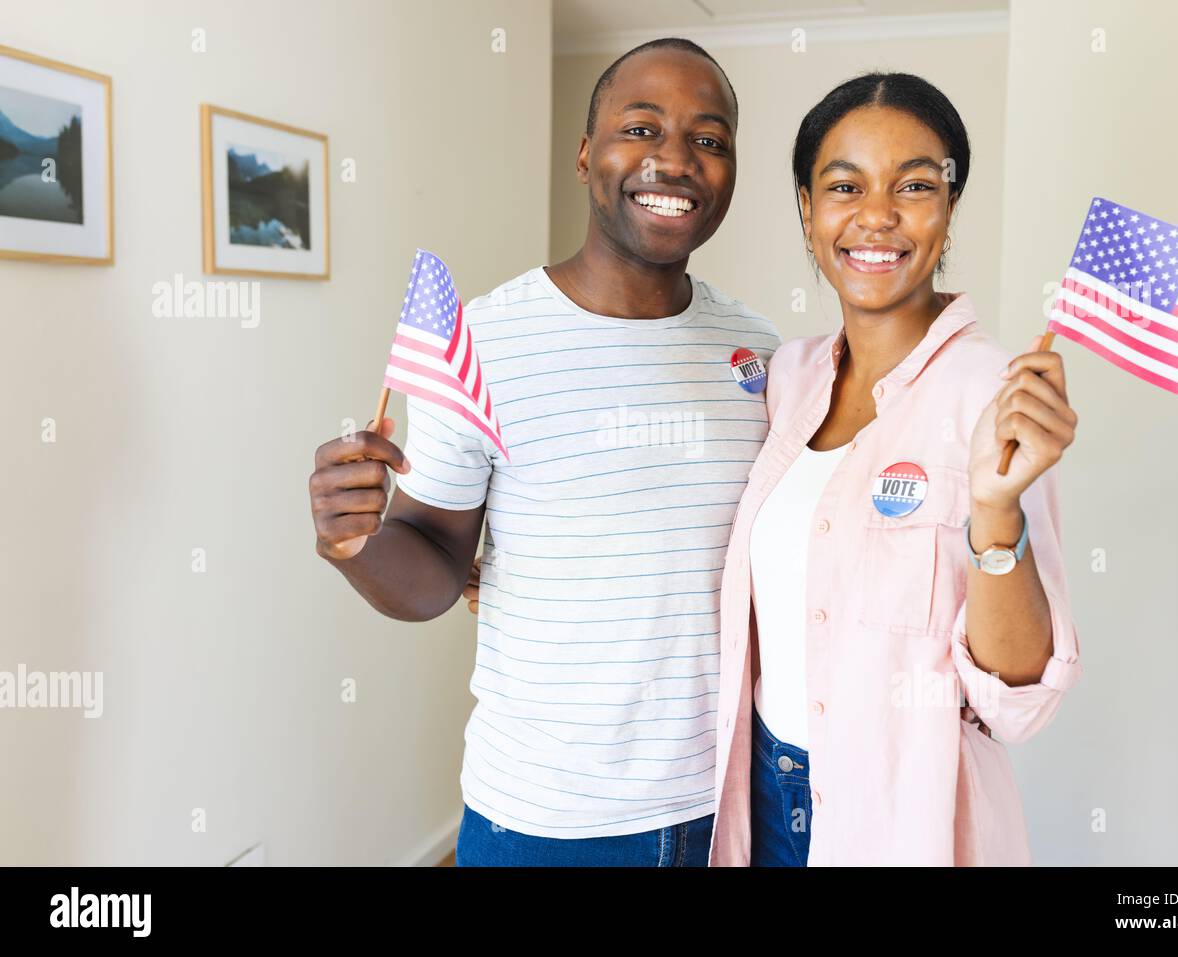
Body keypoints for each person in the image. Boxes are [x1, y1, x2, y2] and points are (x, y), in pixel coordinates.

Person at [308, 38, 779, 866]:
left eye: (709, 140)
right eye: (642, 128)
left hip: (727, 805)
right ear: (586, 154)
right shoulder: (482, 342)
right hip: (547, 820)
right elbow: (435, 565)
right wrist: (354, 545)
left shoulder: (761, 352)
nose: (674, 159)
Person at [706, 72, 1083, 867]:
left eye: (915, 185)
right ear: (809, 212)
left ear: (947, 213)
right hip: (760, 794)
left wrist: (996, 509)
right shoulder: (789, 378)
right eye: (845, 186)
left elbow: (1017, 700)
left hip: (901, 814)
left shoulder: (997, 393)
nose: (876, 215)